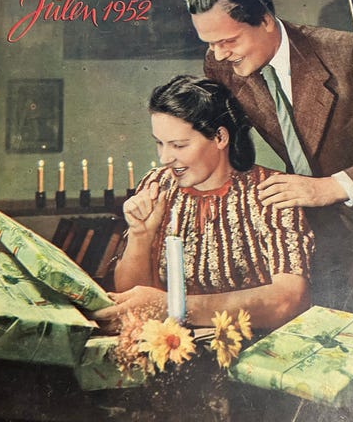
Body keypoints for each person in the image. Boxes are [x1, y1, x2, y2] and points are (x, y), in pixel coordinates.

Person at [185, 0, 353, 318]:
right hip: (312, 235)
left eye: (228, 40)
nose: (219, 54)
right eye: (209, 43)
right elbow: (223, 136)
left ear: (265, 21)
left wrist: (332, 187)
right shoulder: (221, 64)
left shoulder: (350, 53)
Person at [94, 75, 314, 331]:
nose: (165, 158)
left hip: (254, 346)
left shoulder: (271, 192)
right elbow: (133, 298)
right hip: (168, 345)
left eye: (178, 145)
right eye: (159, 143)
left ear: (220, 137)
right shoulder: (156, 184)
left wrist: (176, 307)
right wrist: (140, 235)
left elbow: (289, 300)